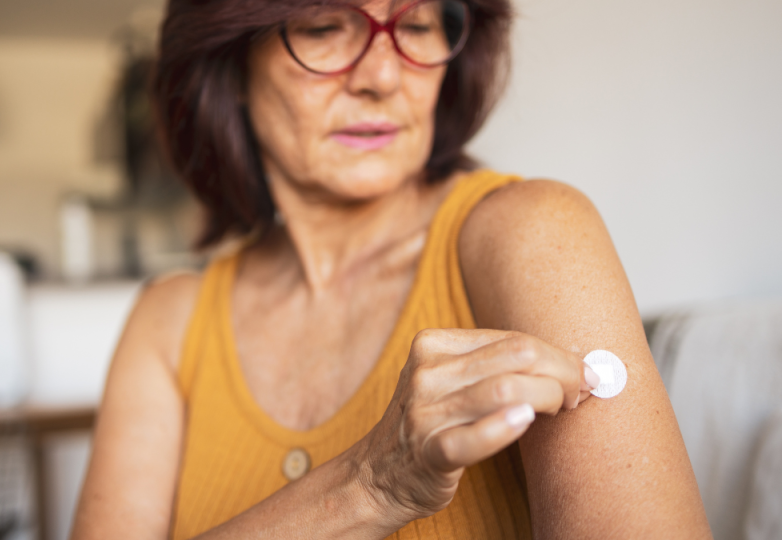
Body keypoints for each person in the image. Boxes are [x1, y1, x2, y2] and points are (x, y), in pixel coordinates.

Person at [71, 0, 710, 538]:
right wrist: (369, 484)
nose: (382, 75)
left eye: (416, 25)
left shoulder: (530, 231)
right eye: (323, 26)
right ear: (231, 61)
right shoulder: (169, 322)